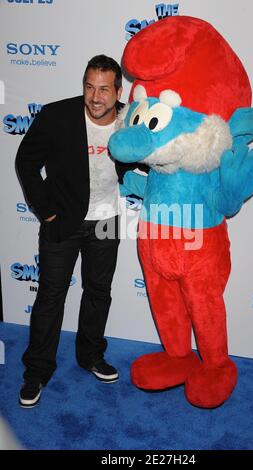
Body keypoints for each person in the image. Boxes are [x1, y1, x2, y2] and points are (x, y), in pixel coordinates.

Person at [16, 54, 128, 408]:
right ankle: (36, 372)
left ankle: (91, 355)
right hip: (63, 221)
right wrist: (46, 211)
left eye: (104, 89)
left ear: (118, 90)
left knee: (98, 291)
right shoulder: (56, 115)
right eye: (89, 87)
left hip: (107, 219)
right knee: (50, 297)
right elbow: (26, 162)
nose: (96, 97)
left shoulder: (132, 120)